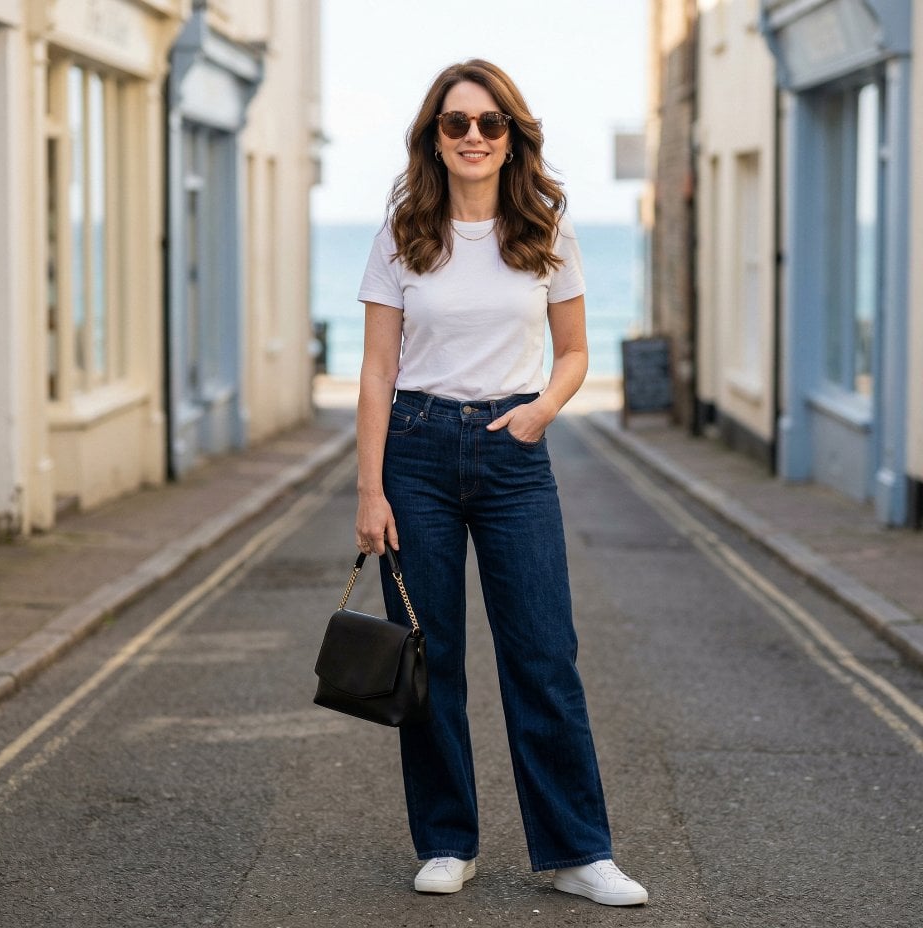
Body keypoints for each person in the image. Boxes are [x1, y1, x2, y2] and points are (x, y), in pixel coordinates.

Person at [354, 59, 647, 907]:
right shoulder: (402, 234)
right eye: (457, 124)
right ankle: (448, 840)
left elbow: (578, 351)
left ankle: (577, 852)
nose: (474, 136)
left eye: (489, 123)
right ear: (435, 140)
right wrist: (370, 491)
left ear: (512, 135)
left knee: (544, 655)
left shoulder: (544, 228)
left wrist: (541, 411)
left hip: (515, 454)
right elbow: (375, 372)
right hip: (414, 451)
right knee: (429, 655)